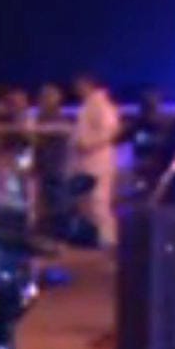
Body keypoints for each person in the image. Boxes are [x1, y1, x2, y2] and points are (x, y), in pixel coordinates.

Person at [71, 72, 123, 249]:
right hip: (87, 162)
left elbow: (110, 132)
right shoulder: (88, 105)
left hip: (98, 162)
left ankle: (108, 240)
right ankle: (95, 237)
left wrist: (88, 144)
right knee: (87, 202)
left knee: (98, 201)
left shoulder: (102, 105)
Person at [29, 83, 72, 237]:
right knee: (45, 204)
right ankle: (47, 236)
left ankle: (59, 237)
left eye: (48, 97)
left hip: (57, 167)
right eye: (43, 97)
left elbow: (59, 134)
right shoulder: (40, 117)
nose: (44, 100)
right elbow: (36, 143)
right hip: (43, 167)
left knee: (58, 204)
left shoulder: (59, 118)